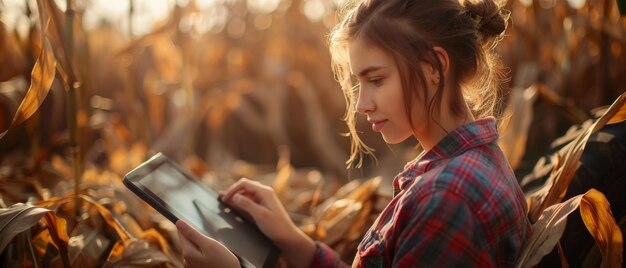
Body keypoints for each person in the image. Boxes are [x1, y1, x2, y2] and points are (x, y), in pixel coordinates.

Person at [175, 0, 532, 266]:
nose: (362, 104)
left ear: (434, 67)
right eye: (359, 83)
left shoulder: (447, 197)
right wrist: (294, 241)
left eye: (376, 80)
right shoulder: (471, 163)